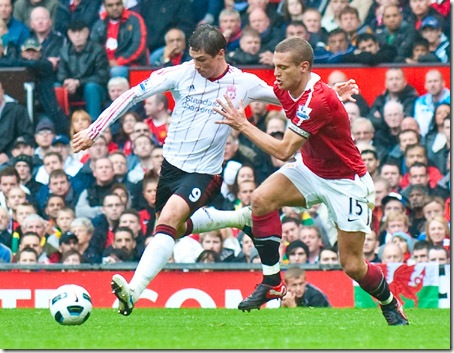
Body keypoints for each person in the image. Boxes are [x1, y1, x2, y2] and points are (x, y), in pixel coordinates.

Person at [72, 25, 281, 316]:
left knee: (168, 221)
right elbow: (132, 95)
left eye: (203, 60)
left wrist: (330, 93)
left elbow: (287, 96)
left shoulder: (243, 83)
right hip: (171, 168)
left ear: (220, 54)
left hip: (204, 173)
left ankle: (132, 292)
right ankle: (240, 217)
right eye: (193, 58)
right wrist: (95, 130)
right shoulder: (181, 74)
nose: (197, 65)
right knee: (175, 228)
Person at [214, 37, 408, 325]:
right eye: (275, 66)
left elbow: (283, 150)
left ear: (303, 67)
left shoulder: (317, 100)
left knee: (352, 265)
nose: (276, 74)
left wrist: (242, 124)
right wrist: (332, 93)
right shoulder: (289, 87)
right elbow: (282, 97)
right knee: (261, 200)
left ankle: (390, 302)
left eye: (283, 67)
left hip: (346, 182)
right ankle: (272, 282)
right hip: (310, 169)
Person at [57, 19, 110, 120]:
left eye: (80, 32)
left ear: (87, 32)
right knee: (57, 87)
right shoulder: (64, 51)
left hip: (94, 89)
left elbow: (102, 75)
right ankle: (61, 123)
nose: (77, 36)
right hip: (72, 89)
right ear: (69, 34)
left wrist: (78, 82)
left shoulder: (97, 50)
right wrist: (67, 82)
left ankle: (94, 123)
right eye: (73, 32)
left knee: (91, 87)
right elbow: (61, 74)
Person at [90, 0, 148, 78]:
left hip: (130, 66)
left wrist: (119, 62)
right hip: (105, 66)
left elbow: (139, 45)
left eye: (118, 4)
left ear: (123, 4)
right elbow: (94, 48)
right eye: (110, 5)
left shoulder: (135, 20)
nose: (115, 8)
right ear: (104, 7)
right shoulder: (99, 24)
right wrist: (105, 63)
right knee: (91, 82)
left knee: (115, 71)